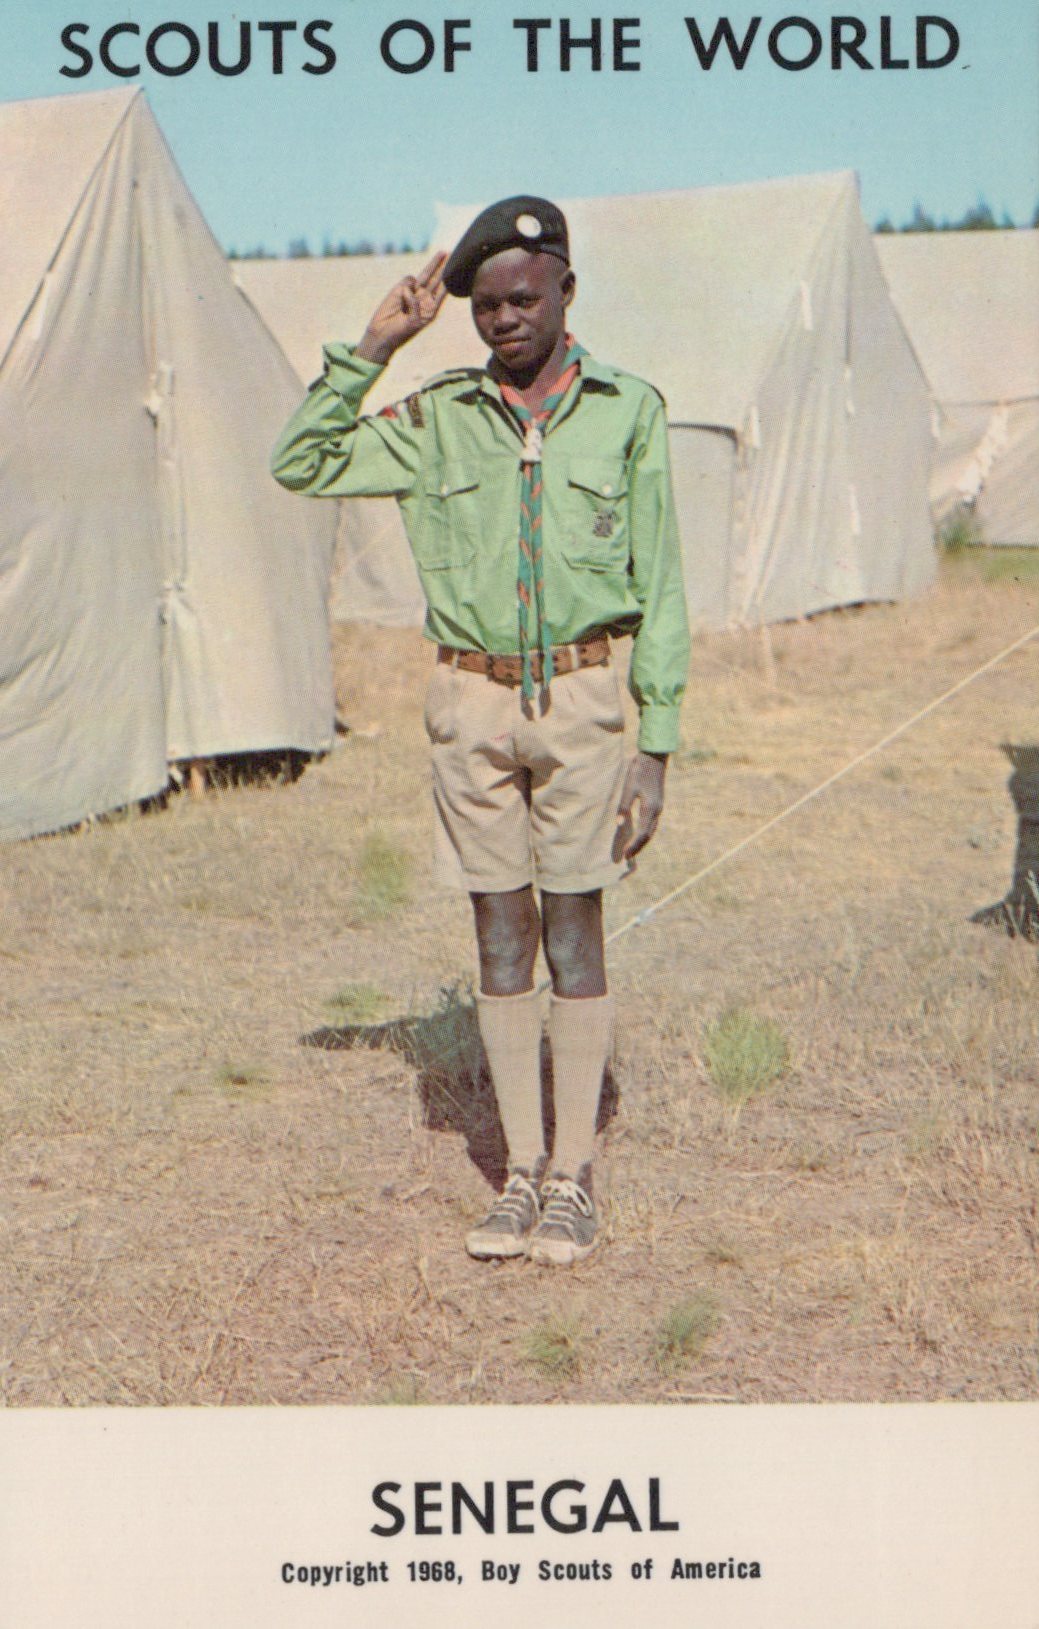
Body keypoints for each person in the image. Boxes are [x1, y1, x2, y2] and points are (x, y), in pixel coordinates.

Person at [271, 196, 690, 1267]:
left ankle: (573, 1176)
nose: (502, 320)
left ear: (564, 292)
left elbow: (665, 584)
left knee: (574, 928)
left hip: (587, 702)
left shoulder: (628, 410)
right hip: (469, 703)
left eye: (521, 298)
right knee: (498, 933)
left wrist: (657, 740)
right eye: (483, 306)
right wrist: (374, 347)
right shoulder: (439, 415)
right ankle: (516, 1174)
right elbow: (301, 462)